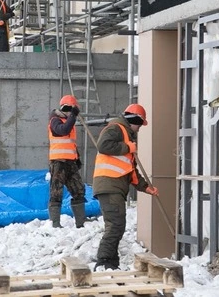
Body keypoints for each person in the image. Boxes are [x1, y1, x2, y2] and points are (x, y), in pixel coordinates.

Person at [92, 103, 159, 270]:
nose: (139, 129)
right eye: (140, 124)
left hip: (114, 186)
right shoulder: (116, 128)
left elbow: (131, 171)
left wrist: (145, 187)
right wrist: (127, 147)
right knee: (115, 225)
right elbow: (103, 145)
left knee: (116, 225)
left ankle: (111, 264)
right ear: (135, 120)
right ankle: (104, 261)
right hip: (109, 184)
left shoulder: (127, 136)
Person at [48, 95, 87, 228]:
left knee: (79, 190)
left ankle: (81, 222)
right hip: (58, 162)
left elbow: (70, 144)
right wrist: (73, 116)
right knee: (56, 192)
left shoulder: (68, 120)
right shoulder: (54, 120)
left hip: (70, 162)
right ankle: (55, 223)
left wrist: (77, 158)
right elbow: (63, 131)